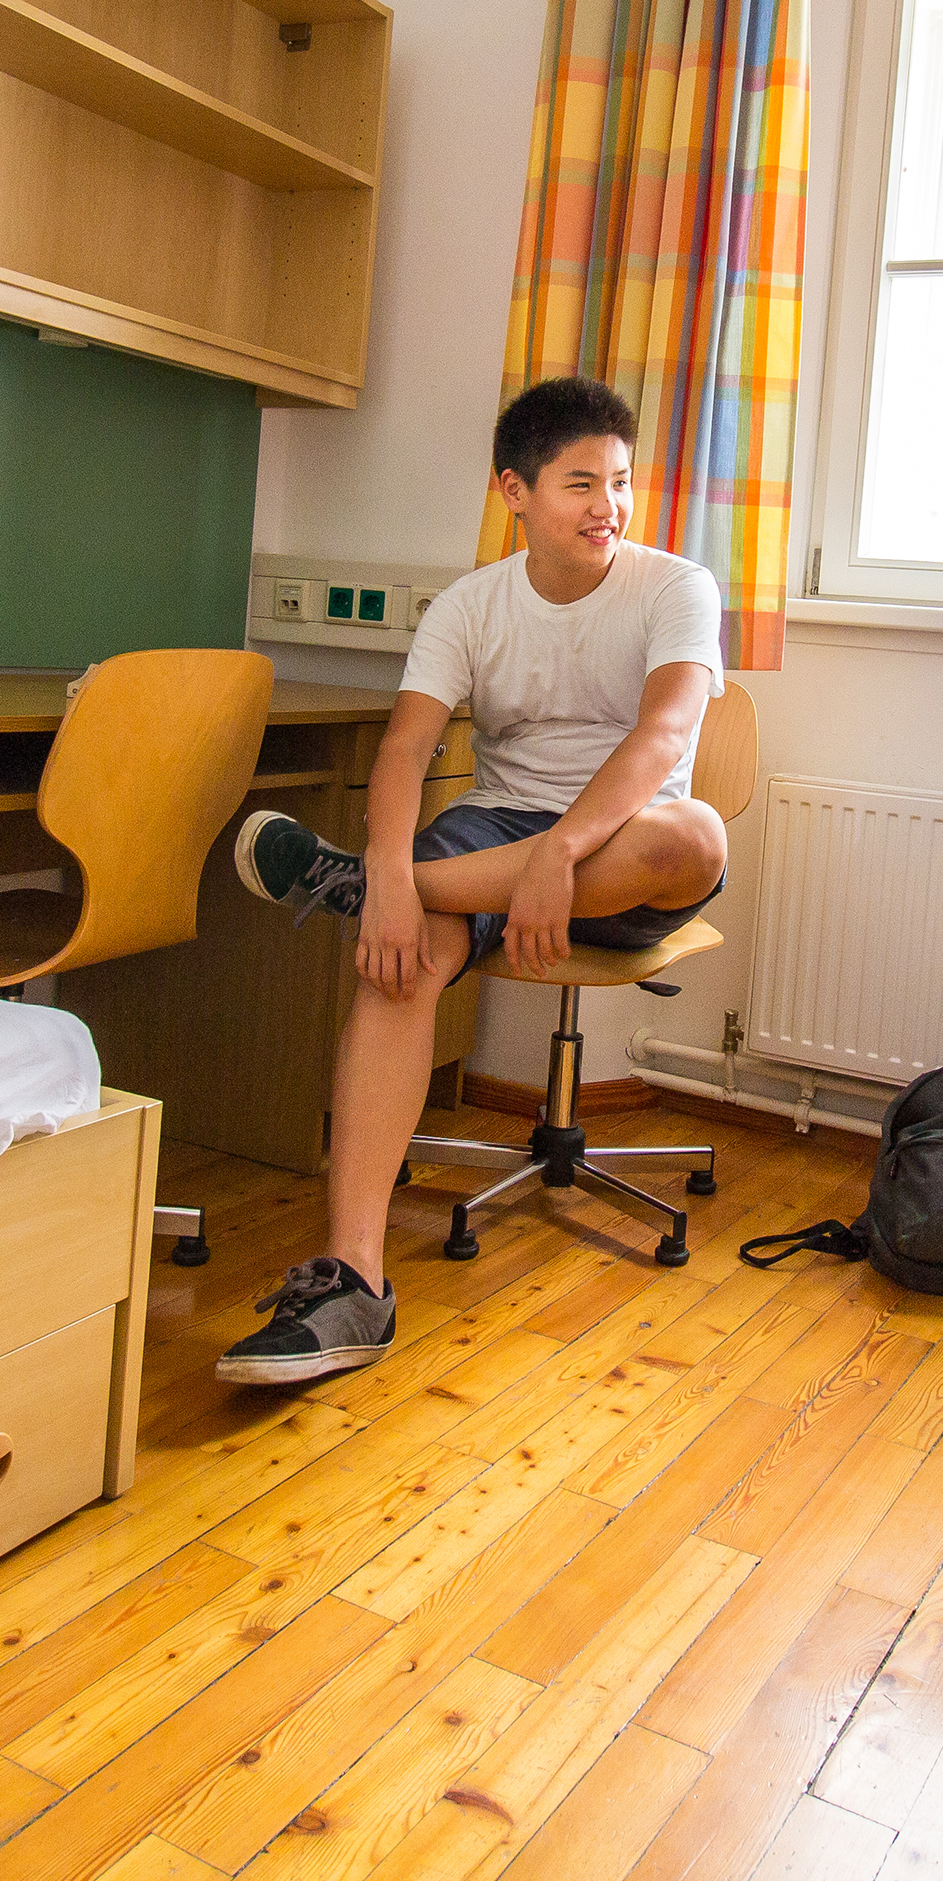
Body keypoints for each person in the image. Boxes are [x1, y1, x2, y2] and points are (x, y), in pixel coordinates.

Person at [214, 375, 729, 1385]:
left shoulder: (676, 587)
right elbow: (405, 749)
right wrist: (406, 873)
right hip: (499, 839)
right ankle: (353, 1277)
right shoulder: (469, 605)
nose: (608, 507)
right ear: (515, 490)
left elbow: (665, 731)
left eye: (619, 482)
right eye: (581, 483)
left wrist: (558, 851)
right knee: (397, 960)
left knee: (698, 833)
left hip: (622, 854)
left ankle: (352, 881)